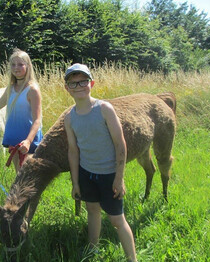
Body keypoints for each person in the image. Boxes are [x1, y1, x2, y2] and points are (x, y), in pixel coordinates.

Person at [63, 63, 137, 261]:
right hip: (87, 173)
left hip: (109, 175)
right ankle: (93, 250)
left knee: (116, 220)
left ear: (92, 83)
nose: (79, 87)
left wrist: (119, 178)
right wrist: (76, 182)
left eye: (83, 82)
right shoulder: (69, 118)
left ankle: (132, 258)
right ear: (67, 88)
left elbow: (120, 145)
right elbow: (73, 151)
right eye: (74, 83)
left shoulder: (104, 109)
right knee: (92, 210)